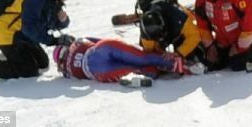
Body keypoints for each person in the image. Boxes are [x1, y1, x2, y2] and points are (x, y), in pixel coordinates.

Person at [54, 37, 196, 84]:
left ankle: (158, 70)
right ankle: (179, 65)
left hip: (99, 72)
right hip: (102, 50)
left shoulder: (67, 72)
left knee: (138, 70)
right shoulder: (76, 43)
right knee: (142, 58)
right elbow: (98, 40)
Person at [136, 0, 204, 65]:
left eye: (160, 36)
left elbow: (195, 35)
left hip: (176, 29)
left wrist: (179, 53)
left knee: (195, 53)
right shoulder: (146, 33)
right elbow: (149, 51)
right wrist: (161, 55)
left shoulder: (179, 18)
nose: (160, 38)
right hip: (164, 29)